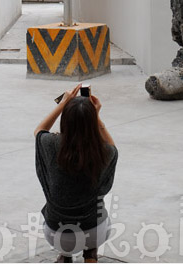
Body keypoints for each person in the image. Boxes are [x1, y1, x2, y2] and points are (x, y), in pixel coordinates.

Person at [34, 84, 118, 263]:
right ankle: (90, 254)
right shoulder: (103, 153)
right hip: (94, 232)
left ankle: (65, 255)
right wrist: (96, 116)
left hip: (56, 233)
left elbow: (38, 131)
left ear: (65, 121)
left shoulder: (50, 144)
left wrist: (62, 104)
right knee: (95, 208)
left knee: (65, 208)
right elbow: (113, 147)